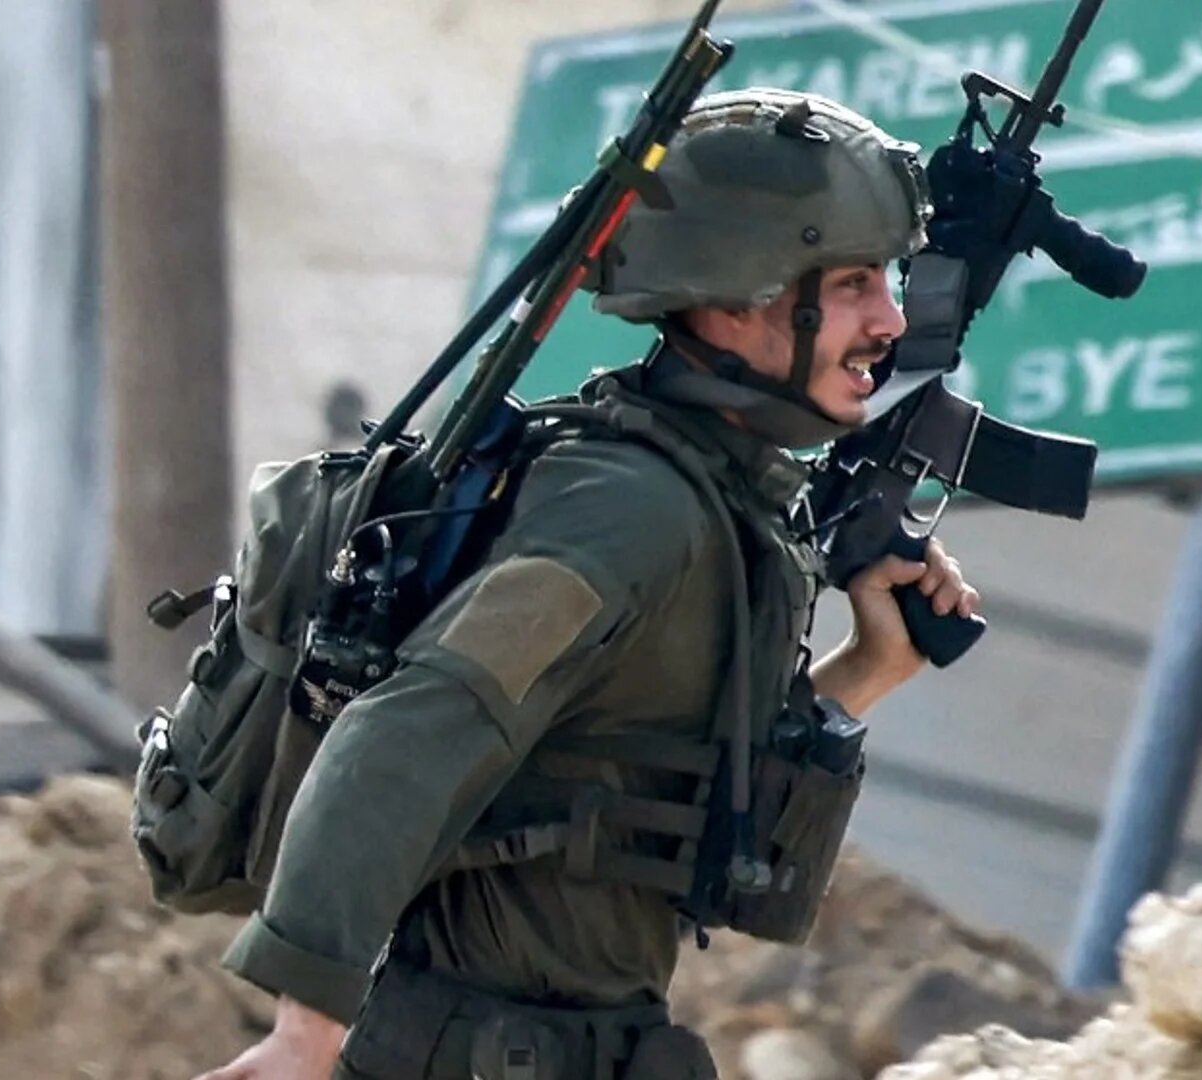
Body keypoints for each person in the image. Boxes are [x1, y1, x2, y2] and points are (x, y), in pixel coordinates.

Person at [195, 88, 977, 1080]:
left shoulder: (723, 499)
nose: (890, 320)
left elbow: (676, 793)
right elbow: (410, 729)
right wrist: (307, 1033)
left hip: (591, 1047)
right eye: (858, 282)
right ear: (738, 294)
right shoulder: (627, 511)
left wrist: (867, 671)